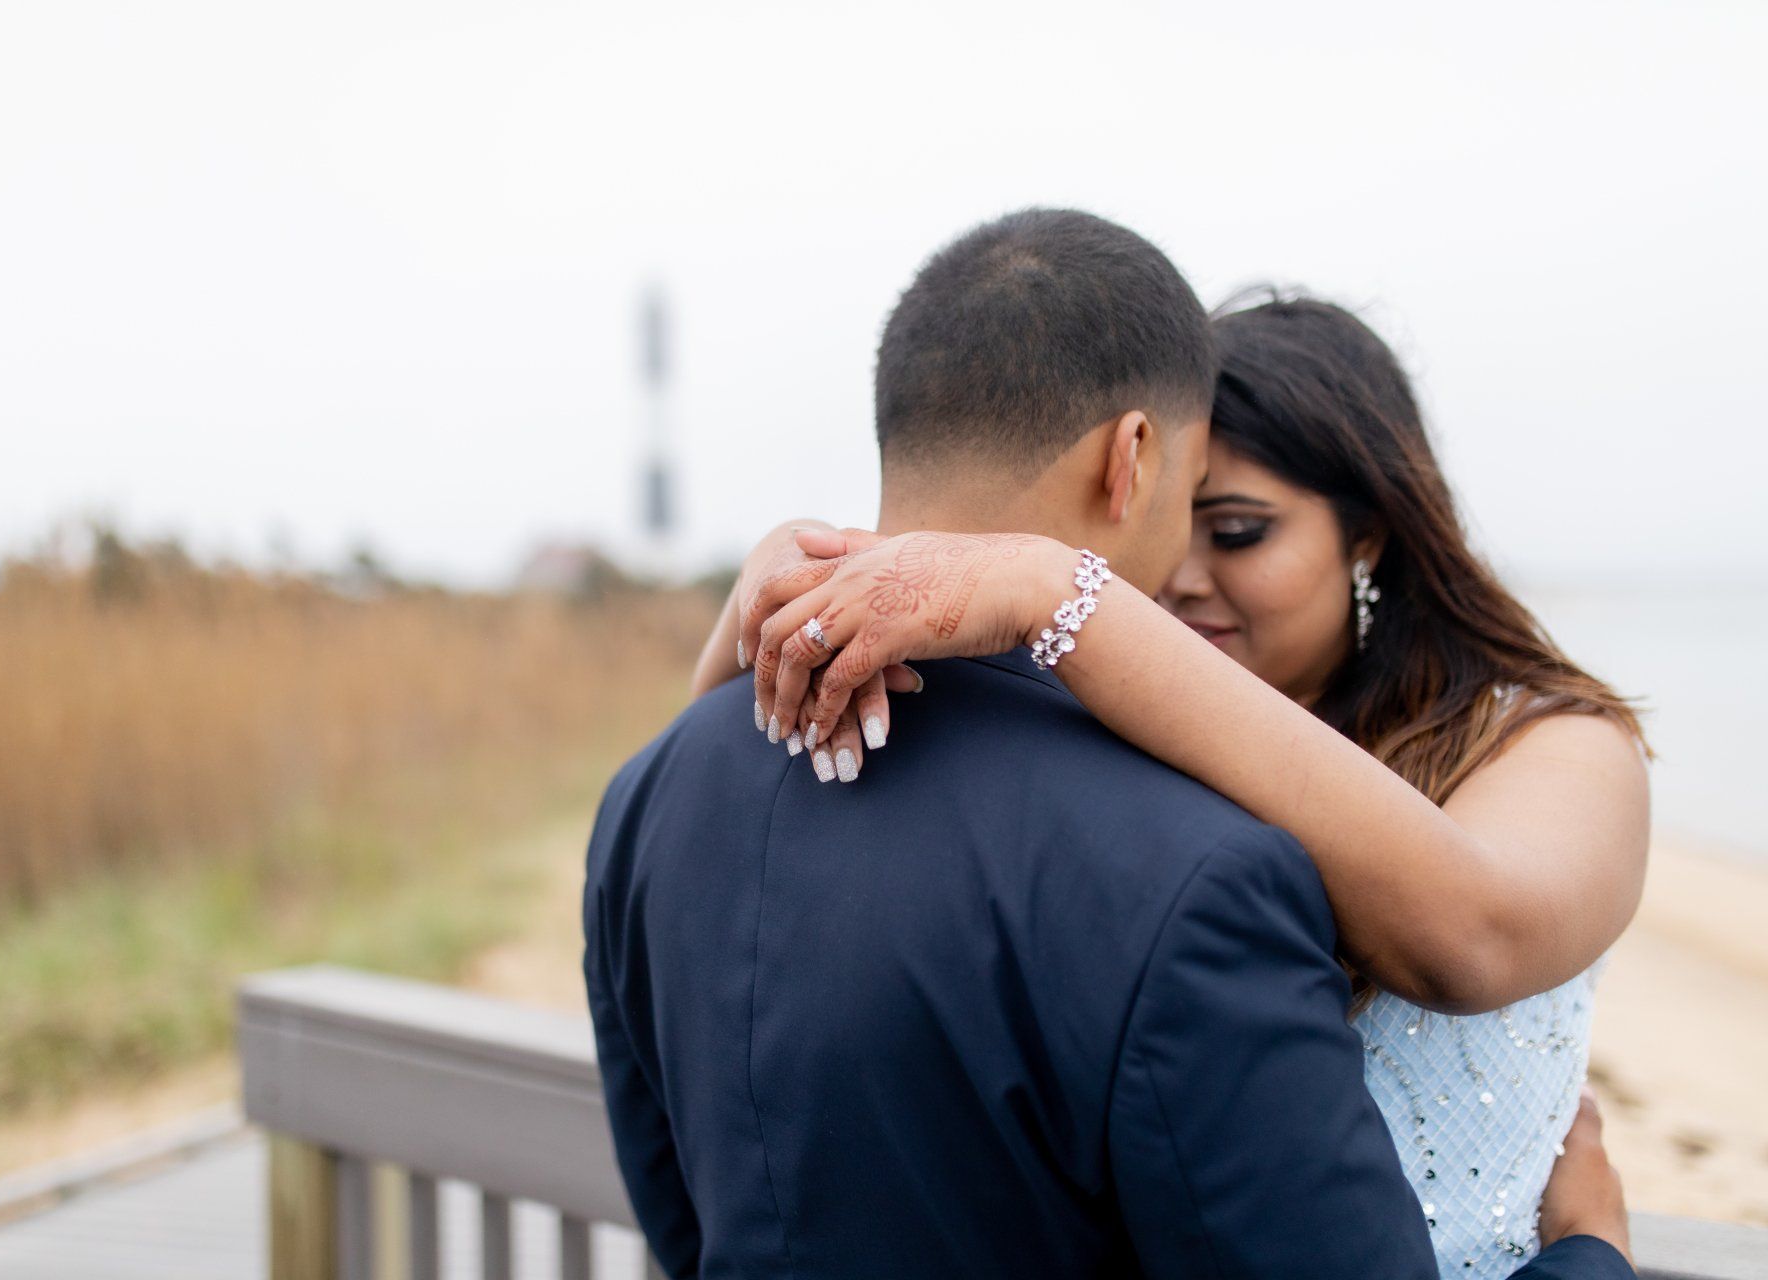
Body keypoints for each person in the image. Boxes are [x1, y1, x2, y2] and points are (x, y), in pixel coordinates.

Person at [586, 208, 1634, 1279]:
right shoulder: (1175, 847)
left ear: (1369, 530)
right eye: (1190, 509)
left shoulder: (650, 797)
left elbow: (1477, 931)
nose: (1179, 573)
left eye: (1235, 528)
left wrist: (1053, 585)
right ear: (1134, 458)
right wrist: (1592, 1253)